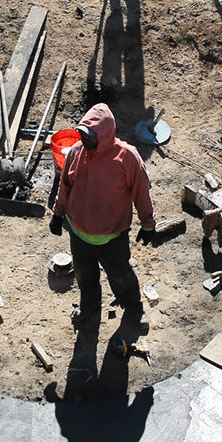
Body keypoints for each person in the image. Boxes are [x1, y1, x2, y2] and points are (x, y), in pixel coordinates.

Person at [51, 103, 156, 333]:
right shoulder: (77, 152)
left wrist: (148, 223)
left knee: (120, 277)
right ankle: (89, 311)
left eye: (90, 136)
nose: (84, 140)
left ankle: (134, 309)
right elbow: (65, 185)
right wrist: (58, 213)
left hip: (112, 238)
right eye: (82, 134)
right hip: (79, 234)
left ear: (105, 134)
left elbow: (141, 192)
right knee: (85, 277)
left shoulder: (127, 157)